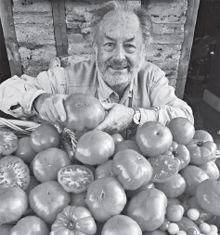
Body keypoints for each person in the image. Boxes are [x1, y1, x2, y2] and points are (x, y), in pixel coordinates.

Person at [0, 1, 193, 135]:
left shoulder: (151, 77)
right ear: (95, 48)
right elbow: (5, 90)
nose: (119, 57)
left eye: (130, 46)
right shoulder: (69, 77)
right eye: (109, 45)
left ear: (142, 51)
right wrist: (39, 100)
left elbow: (185, 117)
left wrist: (135, 117)